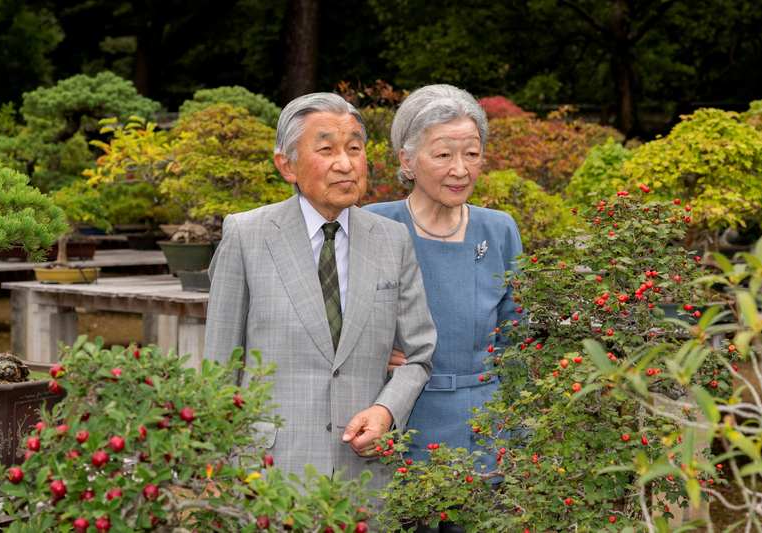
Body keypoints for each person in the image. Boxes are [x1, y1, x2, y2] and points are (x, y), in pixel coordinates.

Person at [203, 92, 436, 490]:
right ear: (287, 165)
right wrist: (213, 466)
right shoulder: (247, 236)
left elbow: (419, 355)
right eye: (326, 150)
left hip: (363, 476)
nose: (345, 164)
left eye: (355, 149)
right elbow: (220, 366)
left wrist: (385, 410)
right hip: (269, 473)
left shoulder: (391, 240)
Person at [365, 84, 523, 473]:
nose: (460, 169)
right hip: (398, 420)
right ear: (407, 160)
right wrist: (368, 349)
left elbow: (518, 336)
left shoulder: (498, 230)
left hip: (484, 428)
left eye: (472, 154)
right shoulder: (375, 226)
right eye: (443, 154)